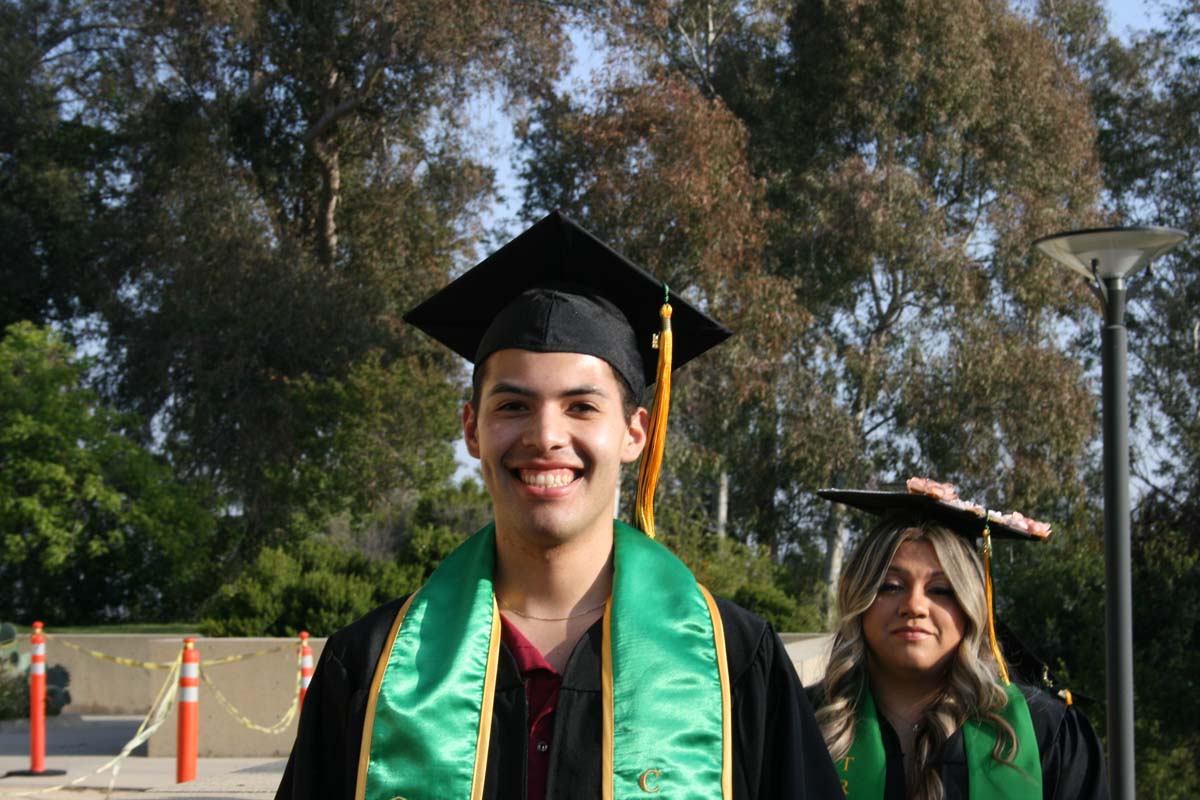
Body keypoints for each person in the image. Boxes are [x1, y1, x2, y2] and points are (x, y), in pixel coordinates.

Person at [274, 211, 842, 800]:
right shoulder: (370, 667)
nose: (545, 436)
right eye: (513, 406)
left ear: (634, 433)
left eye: (581, 407)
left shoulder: (735, 664)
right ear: (471, 430)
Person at [813, 480, 1108, 799]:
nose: (914, 606)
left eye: (941, 590)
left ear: (972, 606)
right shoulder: (803, 720)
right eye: (891, 586)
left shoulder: (1044, 733)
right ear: (860, 598)